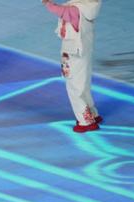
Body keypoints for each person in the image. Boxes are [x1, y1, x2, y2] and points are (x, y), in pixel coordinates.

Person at [42, 0, 102, 133]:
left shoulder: (76, 9)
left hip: (73, 52)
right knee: (84, 85)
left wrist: (46, 3)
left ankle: (85, 121)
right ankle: (92, 113)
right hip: (83, 50)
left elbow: (62, 11)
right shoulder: (90, 7)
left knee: (74, 87)